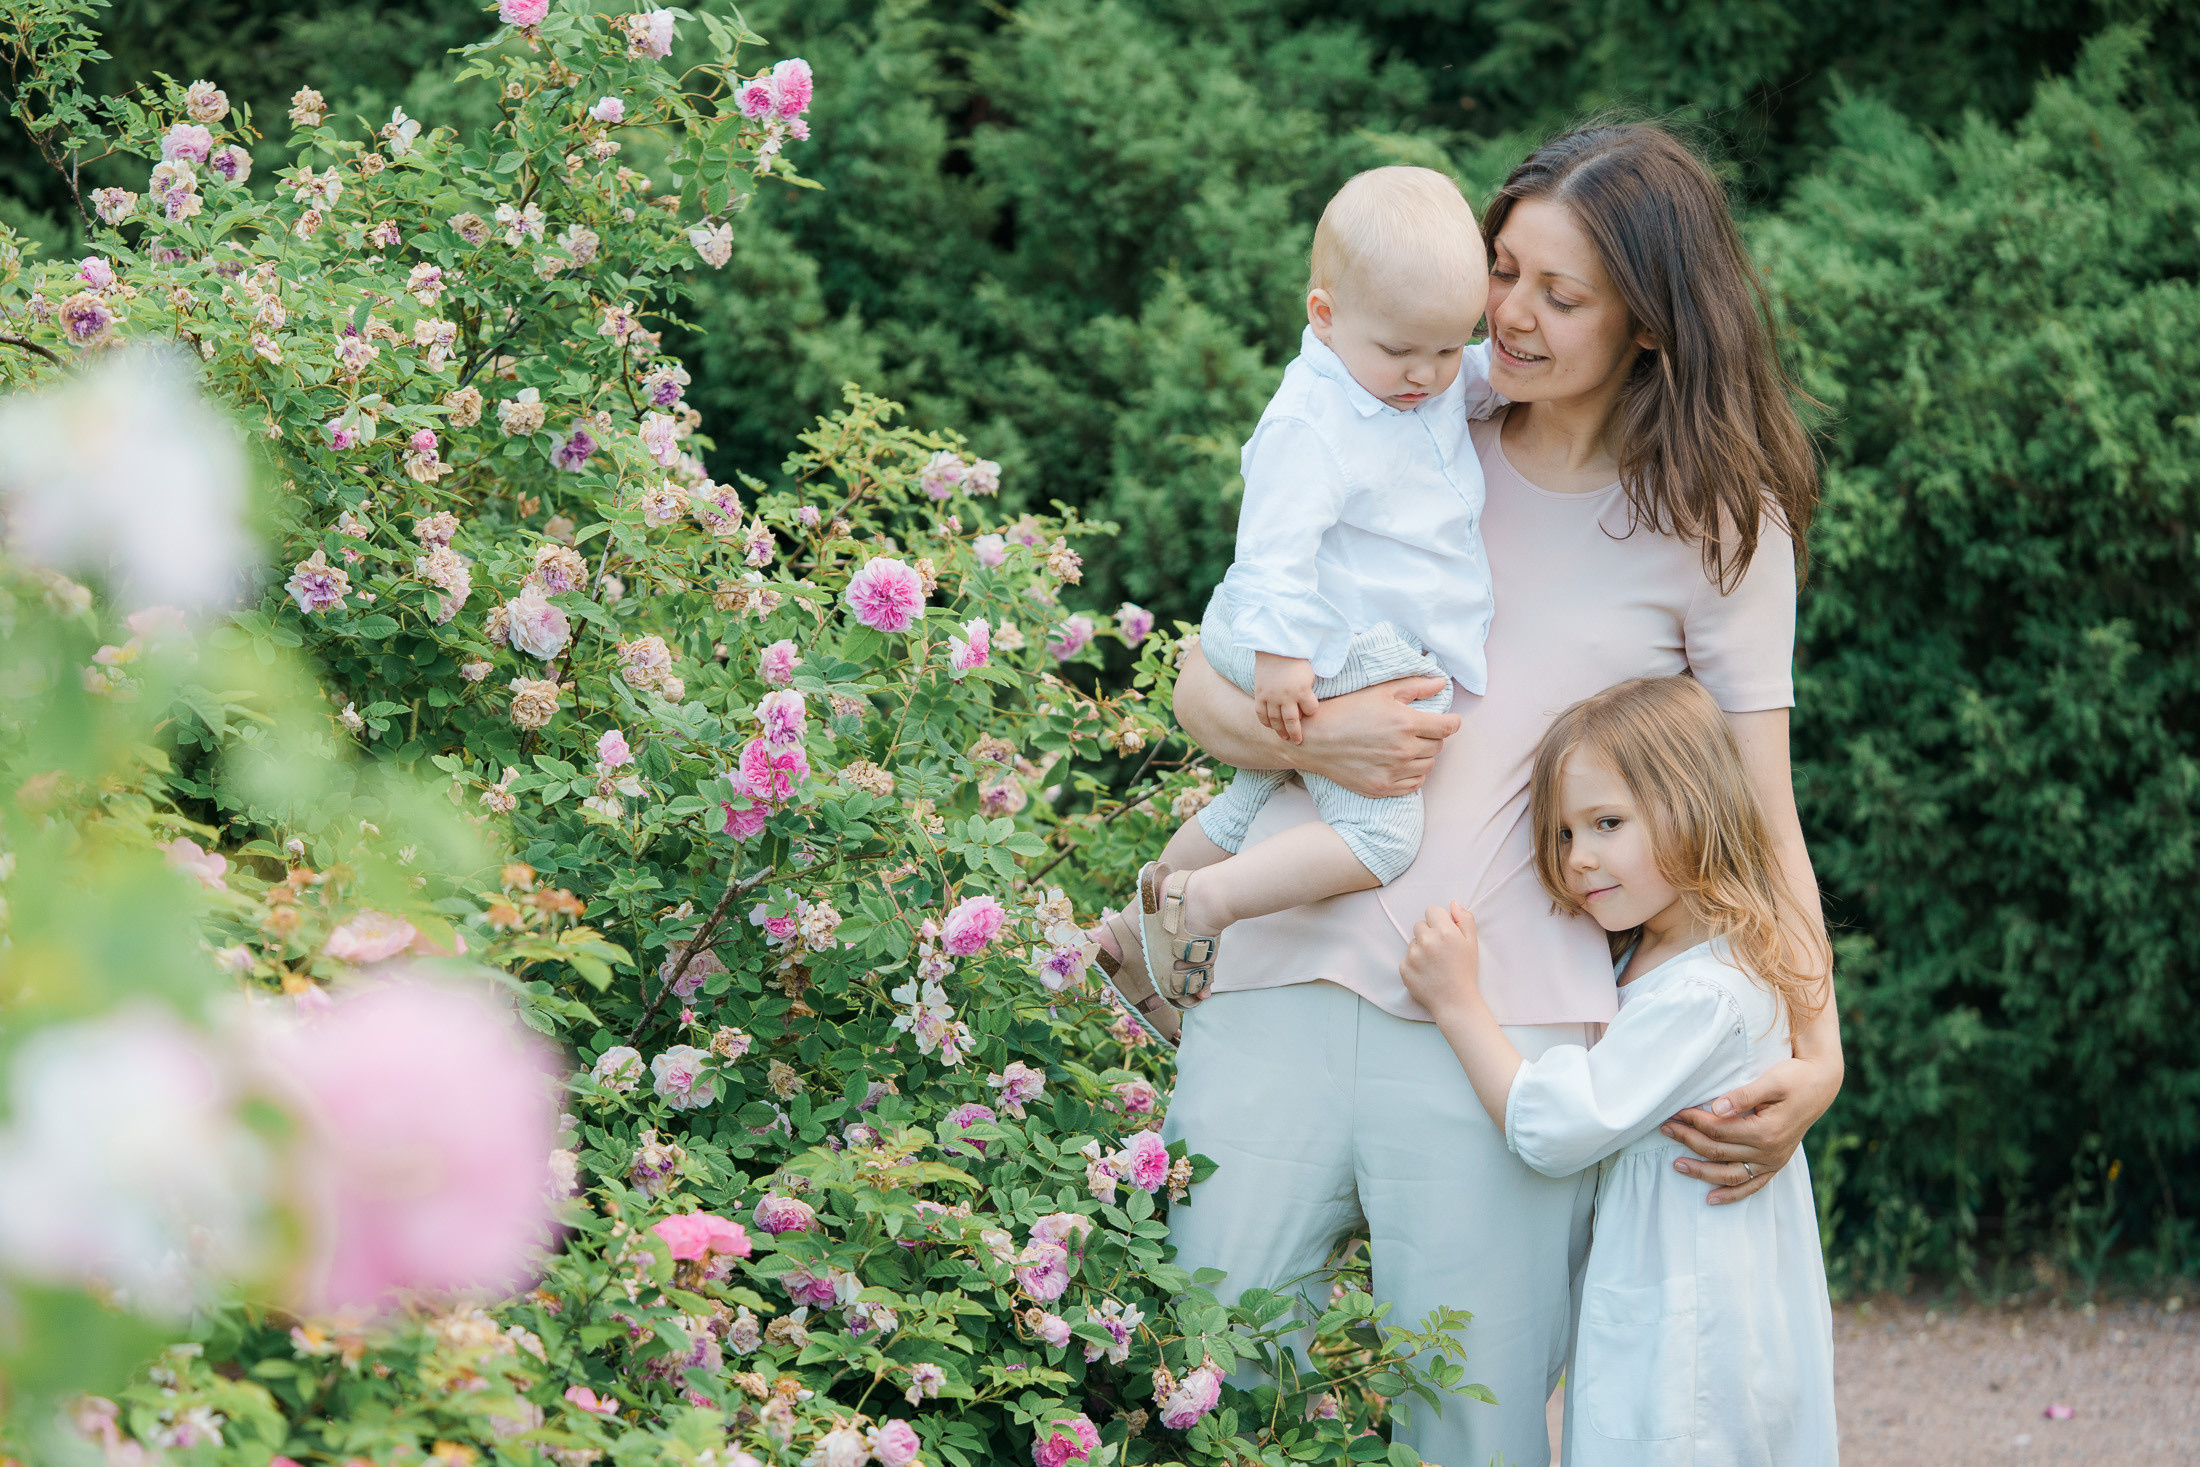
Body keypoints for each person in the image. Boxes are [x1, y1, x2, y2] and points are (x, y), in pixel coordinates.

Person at [1147, 121, 1847, 1467]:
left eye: (1560, 295)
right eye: (1503, 271)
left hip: (1506, 1035)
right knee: (1205, 1390)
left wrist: (1817, 1049)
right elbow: (1203, 681)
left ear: (1650, 323)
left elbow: (1760, 812)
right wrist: (1324, 745)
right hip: (1278, 971)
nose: (1510, 316)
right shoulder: (1407, 399)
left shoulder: (1719, 521)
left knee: (1472, 1426)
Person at [1096, 166, 1501, 1041]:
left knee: (1257, 794)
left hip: (1320, 635)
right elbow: (1273, 550)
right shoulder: (1310, 420)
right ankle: (1205, 903)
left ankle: (1131, 932)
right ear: (1324, 315)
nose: (1428, 373)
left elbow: (1478, 376)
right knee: (1383, 836)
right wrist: (1285, 659)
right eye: (1405, 350)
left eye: (1449, 347)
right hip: (1309, 637)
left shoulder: (1411, 375)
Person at [1400, 675, 1838, 1464]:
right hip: (1689, 1308)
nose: (1579, 858)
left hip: (1694, 1337)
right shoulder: (1661, 953)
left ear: (1695, 804)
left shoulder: (1705, 992)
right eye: (1564, 833)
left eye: (1607, 822)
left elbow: (1557, 1125)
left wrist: (1457, 1003)